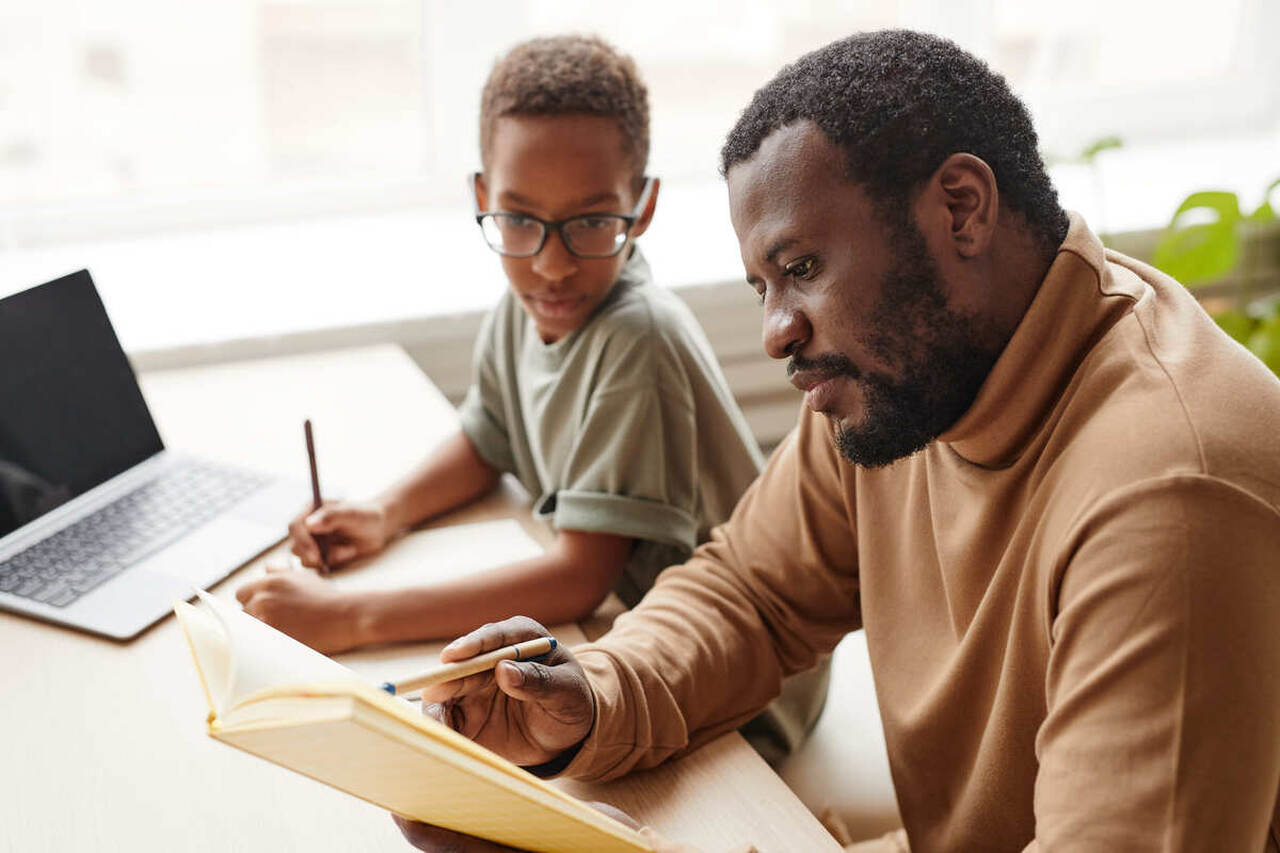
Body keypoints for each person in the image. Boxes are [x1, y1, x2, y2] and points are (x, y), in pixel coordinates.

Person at [392, 30, 1280, 853]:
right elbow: (750, 593)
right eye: (762, 287)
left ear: (961, 209)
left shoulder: (1174, 496)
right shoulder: (904, 382)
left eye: (802, 270)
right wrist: (589, 698)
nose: (778, 331)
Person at [236, 35, 827, 764]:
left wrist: (350, 615)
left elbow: (579, 577)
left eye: (589, 222)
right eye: (520, 219)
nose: (551, 263)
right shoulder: (529, 304)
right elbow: (488, 438)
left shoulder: (636, 340)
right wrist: (386, 512)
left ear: (642, 208)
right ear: (483, 199)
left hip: (729, 689)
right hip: (623, 651)